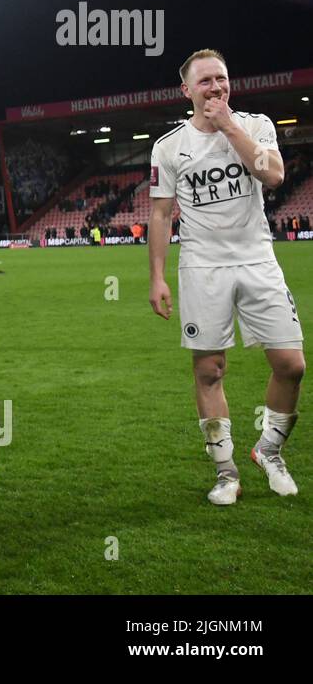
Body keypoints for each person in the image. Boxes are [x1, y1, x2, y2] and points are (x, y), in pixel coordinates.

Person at [149, 49, 303, 505]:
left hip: (258, 259)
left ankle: (269, 452)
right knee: (210, 369)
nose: (215, 87)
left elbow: (274, 175)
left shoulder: (255, 126)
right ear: (187, 90)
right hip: (202, 266)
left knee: (291, 365)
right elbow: (159, 215)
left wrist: (228, 125)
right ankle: (225, 472)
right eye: (205, 82)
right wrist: (157, 277)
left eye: (221, 79)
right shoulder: (168, 146)